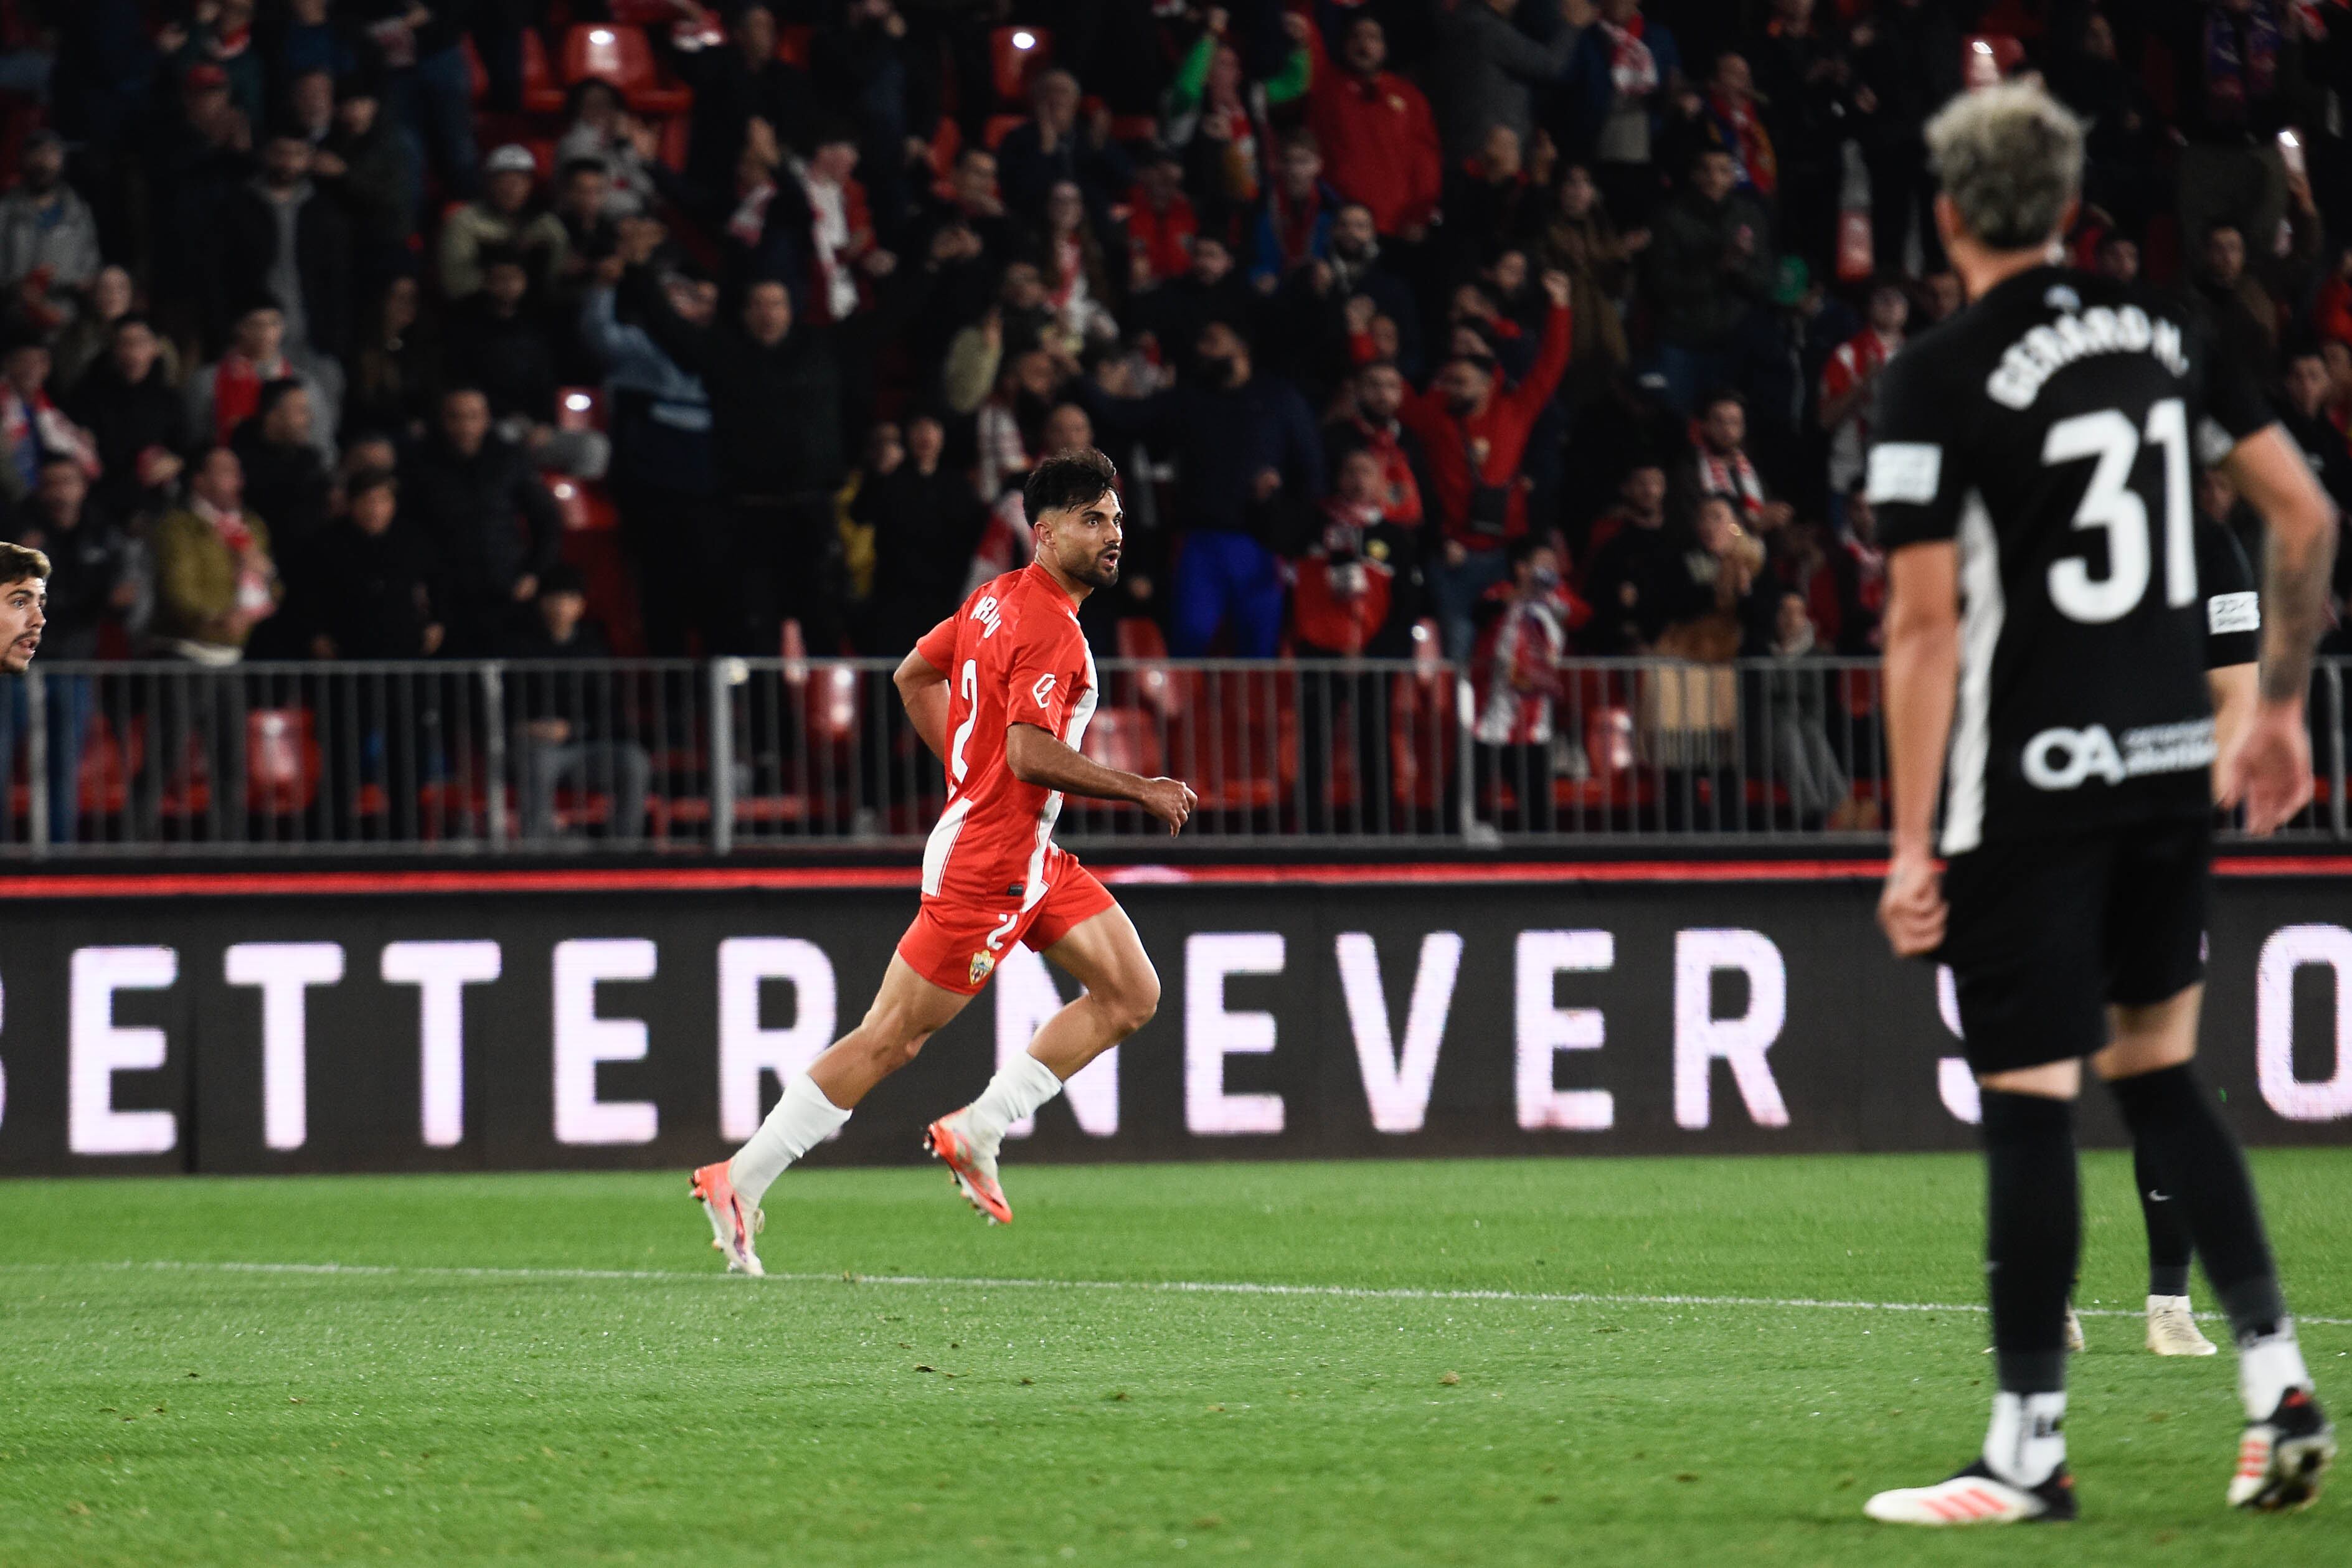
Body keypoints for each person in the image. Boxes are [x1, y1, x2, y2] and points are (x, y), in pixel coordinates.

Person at [1866, 80, 2336, 1526]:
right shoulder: (2171, 334)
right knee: (2156, 1076)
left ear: (1945, 214)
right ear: (2069, 206)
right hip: (2162, 777)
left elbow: (1926, 628)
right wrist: (2274, 705)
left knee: (2026, 1104)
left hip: (2030, 781)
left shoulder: (1938, 373)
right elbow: (2303, 516)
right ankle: (2275, 1385)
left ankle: (2026, 1448)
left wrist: (1907, 838)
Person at [690, 450, 1196, 1269]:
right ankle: (740, 1178)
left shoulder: (993, 600)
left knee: (1131, 991)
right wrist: (1139, 788)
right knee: (890, 1038)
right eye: (1093, 520)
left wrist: (971, 775)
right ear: (1045, 532)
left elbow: (913, 673)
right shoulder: (1050, 630)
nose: (1113, 536)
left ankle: (979, 1127)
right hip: (990, 859)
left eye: (1115, 520)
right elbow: (1031, 753)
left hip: (1025, 849)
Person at [1399, 270, 1574, 663]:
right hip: (1451, 559)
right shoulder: (1434, 417)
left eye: (1462, 383)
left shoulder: (1514, 410)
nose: (1453, 389)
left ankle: (1499, 727)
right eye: (1450, 382)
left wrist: (1561, 306)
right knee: (1459, 650)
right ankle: (1462, 727)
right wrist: (1363, 341)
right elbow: (1392, 392)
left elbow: (1551, 364)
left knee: (1505, 656)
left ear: (1488, 383)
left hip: (1503, 558)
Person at [0, 460, 126, 843]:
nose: (59, 491)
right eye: (51, 482)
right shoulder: (17, 529)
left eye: (67, 482)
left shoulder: (101, 532)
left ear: (83, 486)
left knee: (63, 764)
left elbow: (118, 594)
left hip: (73, 664)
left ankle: (59, 853)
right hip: (16, 666)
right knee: (2, 760)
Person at [400, 386, 563, 654]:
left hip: (504, 590)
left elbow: (546, 519)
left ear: (487, 418)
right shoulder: (420, 463)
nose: (465, 425)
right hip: (446, 595)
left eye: (473, 416)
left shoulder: (510, 459)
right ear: (442, 419)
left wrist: (534, 573)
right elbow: (408, 529)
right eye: (456, 416)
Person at [503, 564, 649, 844]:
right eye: (555, 598)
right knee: (540, 762)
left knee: (634, 761)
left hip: (586, 747)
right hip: (533, 750)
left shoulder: (593, 650)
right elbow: (505, 708)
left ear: (581, 605)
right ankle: (536, 852)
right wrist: (527, 729)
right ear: (541, 601)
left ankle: (626, 850)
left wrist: (573, 730)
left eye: (570, 599)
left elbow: (610, 713)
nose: (561, 606)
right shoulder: (518, 648)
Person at [66, 313, 187, 524]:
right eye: (124, 343)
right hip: (103, 502)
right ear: (113, 349)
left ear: (156, 348)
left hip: (158, 502)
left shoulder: (168, 398)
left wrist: (175, 461)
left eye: (140, 343)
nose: (132, 352)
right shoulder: (87, 395)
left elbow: (184, 446)